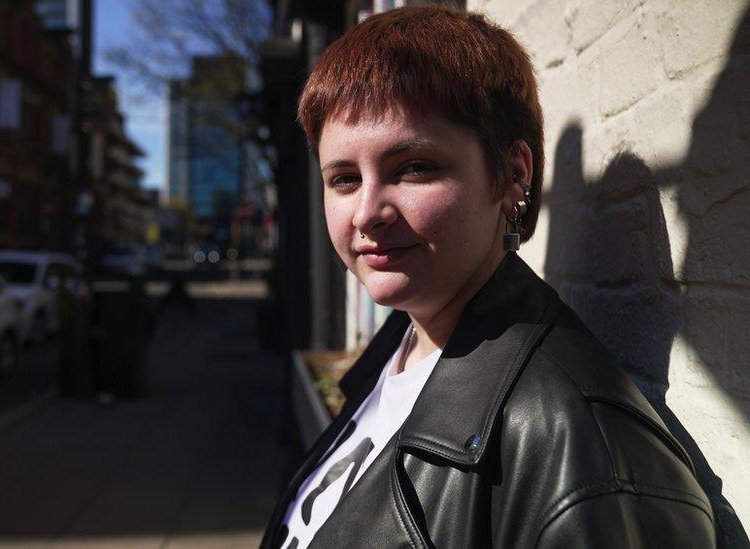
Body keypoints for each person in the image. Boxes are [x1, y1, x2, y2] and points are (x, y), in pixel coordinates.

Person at [260, 6, 715, 548]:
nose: (366, 213)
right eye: (343, 178)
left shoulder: (585, 455)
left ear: (512, 176)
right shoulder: (403, 340)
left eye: (414, 167)